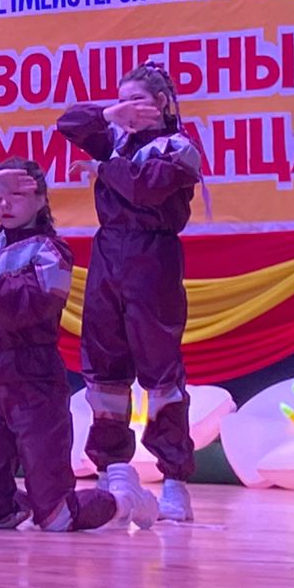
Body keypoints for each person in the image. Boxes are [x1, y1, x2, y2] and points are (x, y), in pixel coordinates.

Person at [0, 160, 158, 531]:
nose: (5, 205)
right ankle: (36, 499)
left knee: (56, 518)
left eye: (17, 196)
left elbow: (22, 303)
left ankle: (124, 500)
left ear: (41, 200)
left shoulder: (52, 251)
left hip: (33, 382)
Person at [58, 63, 202, 522]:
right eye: (122, 99)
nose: (127, 109)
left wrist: (102, 167)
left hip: (152, 258)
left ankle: (175, 480)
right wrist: (109, 114)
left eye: (136, 100)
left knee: (160, 373)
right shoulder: (117, 137)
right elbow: (68, 123)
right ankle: (112, 470)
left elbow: (144, 190)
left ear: (161, 102)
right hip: (108, 254)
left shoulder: (179, 148)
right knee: (104, 368)